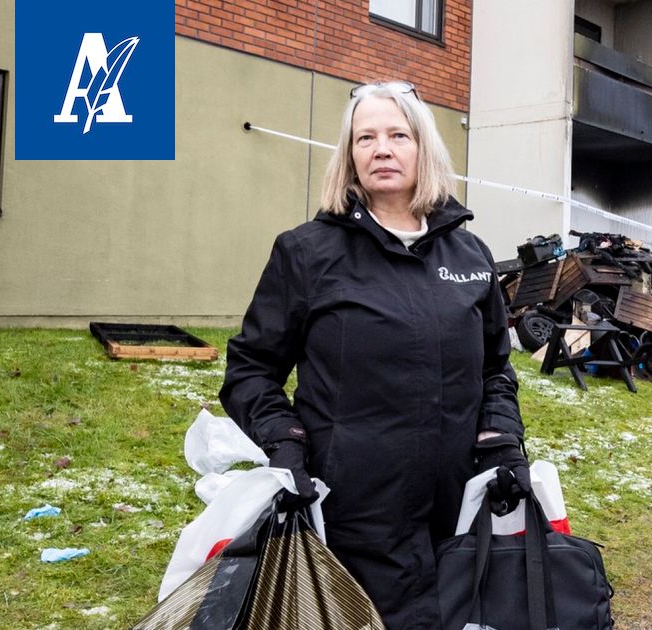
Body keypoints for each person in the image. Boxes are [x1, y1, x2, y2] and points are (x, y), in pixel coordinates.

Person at [219, 81, 529, 630]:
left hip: (453, 513)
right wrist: (284, 443)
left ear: (424, 149)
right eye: (365, 138)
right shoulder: (307, 252)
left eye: (397, 135)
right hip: (348, 516)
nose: (381, 149)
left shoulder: (471, 254)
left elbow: (494, 369)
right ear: (350, 156)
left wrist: (502, 440)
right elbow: (251, 369)